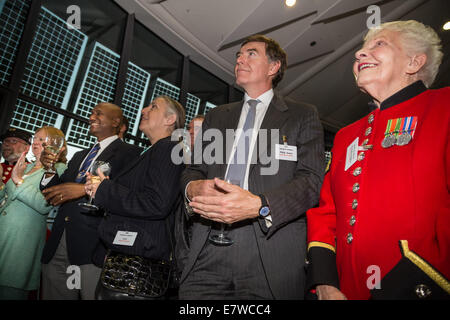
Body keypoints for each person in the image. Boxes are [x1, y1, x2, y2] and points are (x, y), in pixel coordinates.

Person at [306, 20, 450, 300]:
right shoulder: (347, 135)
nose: (359, 54)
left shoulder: (444, 108)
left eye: (379, 44)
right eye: (361, 49)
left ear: (414, 62)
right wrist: (325, 283)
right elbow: (326, 213)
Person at [179, 34, 325, 299]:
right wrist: (193, 187)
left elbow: (311, 181)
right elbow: (194, 169)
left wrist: (260, 204)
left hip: (270, 251)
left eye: (250, 54)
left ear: (273, 67)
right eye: (238, 55)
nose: (239, 60)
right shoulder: (217, 115)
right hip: (208, 246)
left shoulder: (303, 115)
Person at [84, 96, 186, 299]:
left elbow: (156, 204)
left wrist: (105, 189)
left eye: (153, 106)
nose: (143, 110)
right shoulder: (153, 151)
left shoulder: (169, 148)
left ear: (170, 119)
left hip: (137, 271)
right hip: (127, 262)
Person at [40, 102, 141, 300]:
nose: (91, 117)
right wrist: (50, 169)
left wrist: (84, 189)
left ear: (116, 121)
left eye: (98, 113)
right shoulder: (79, 155)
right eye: (92, 112)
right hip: (59, 243)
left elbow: (127, 196)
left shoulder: (131, 154)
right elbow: (55, 192)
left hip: (93, 247)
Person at [0, 126, 67, 299]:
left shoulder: (58, 169)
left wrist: (18, 180)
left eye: (42, 139)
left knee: (10, 290)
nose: (36, 142)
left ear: (55, 144)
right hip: (3, 234)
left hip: (21, 242)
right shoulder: (26, 166)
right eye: (35, 138)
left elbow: (44, 204)